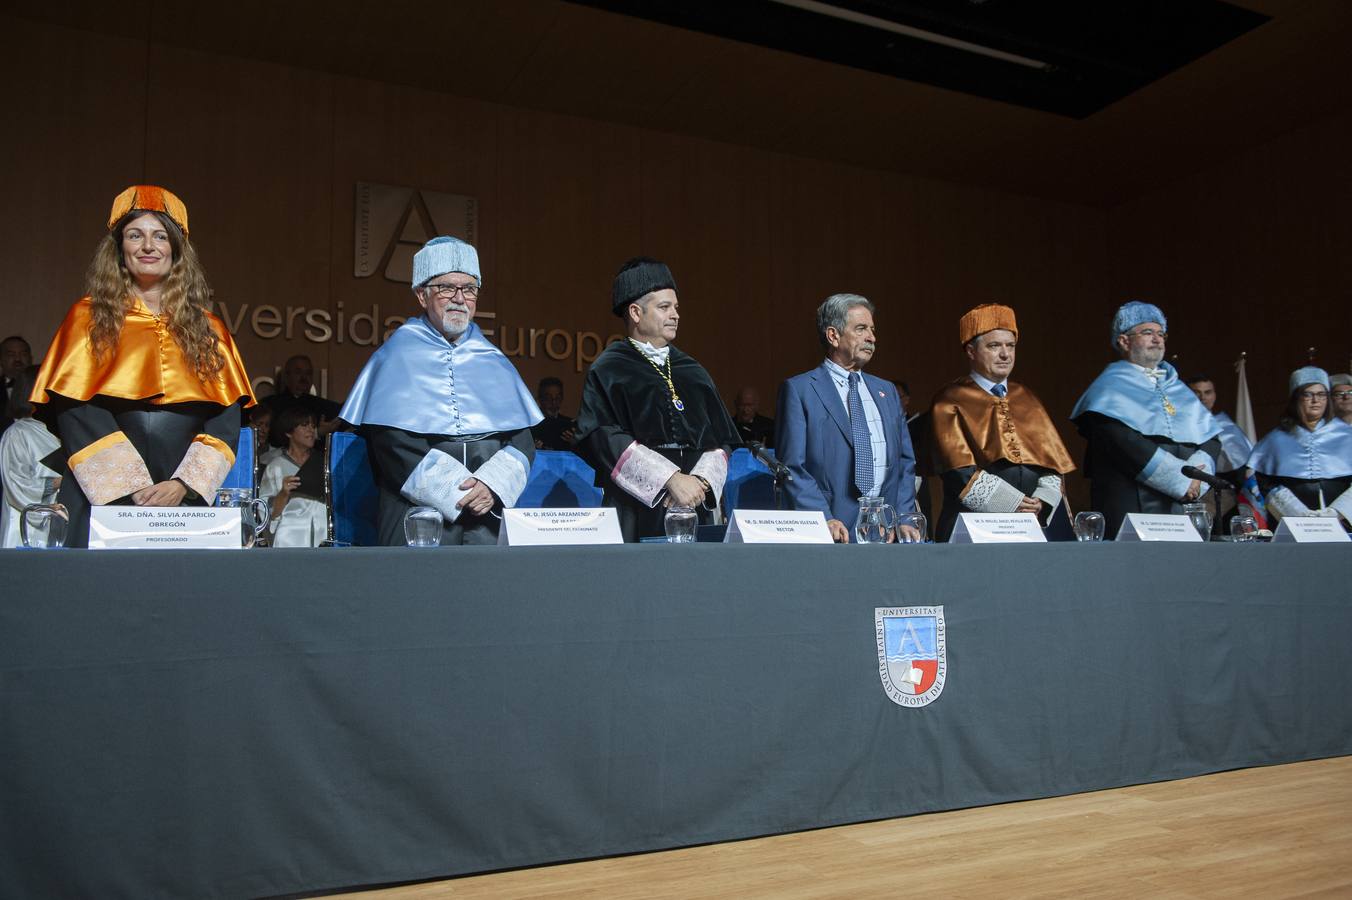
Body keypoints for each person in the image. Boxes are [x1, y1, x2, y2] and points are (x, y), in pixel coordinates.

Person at [29, 185, 254, 546]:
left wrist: (183, 485)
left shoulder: (209, 328)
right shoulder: (87, 318)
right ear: (120, 249)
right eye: (135, 235)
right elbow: (74, 409)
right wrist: (130, 487)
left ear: (176, 251)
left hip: (181, 498)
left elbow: (225, 421)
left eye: (160, 236)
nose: (148, 246)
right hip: (100, 493)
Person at [339, 236, 541, 546]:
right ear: (422, 295)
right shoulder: (396, 356)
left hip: (486, 518)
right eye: (447, 287)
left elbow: (522, 441)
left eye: (469, 288)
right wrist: (459, 492)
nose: (460, 298)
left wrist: (490, 485)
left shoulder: (494, 360)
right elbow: (393, 445)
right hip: (418, 514)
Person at [574, 257, 740, 542]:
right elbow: (601, 435)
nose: (675, 315)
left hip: (694, 503)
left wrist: (698, 483)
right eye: (664, 307)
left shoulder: (694, 370)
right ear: (636, 313)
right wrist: (670, 480)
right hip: (635, 506)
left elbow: (722, 438)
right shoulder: (609, 368)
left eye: (676, 307)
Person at [1070, 301, 1222, 538]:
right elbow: (1122, 442)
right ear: (1123, 341)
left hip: (1183, 504)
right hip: (1132, 503)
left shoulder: (1178, 387)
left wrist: (1198, 481)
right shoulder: (1109, 387)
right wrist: (1181, 479)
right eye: (1148, 332)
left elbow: (1210, 437)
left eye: (1161, 333)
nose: (1157, 339)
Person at [776, 293, 917, 543]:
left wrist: (904, 516)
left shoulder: (887, 392)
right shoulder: (800, 390)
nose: (872, 338)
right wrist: (821, 518)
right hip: (831, 532)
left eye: (872, 330)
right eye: (861, 329)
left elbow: (905, 462)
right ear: (833, 335)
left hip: (887, 533)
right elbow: (792, 467)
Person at [927, 304, 1075, 541]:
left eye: (1010, 346)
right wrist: (1013, 504)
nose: (1005, 354)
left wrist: (1041, 502)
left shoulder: (1028, 397)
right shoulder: (949, 399)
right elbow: (958, 472)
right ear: (971, 351)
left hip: (1029, 526)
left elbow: (1052, 464)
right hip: (973, 527)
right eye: (994, 346)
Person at [1246, 367, 1352, 526]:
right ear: (1296, 398)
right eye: (1308, 394)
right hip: (1292, 521)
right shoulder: (1276, 439)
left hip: (1341, 521)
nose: (1315, 400)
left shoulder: (1347, 435)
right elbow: (1266, 483)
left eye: (1321, 394)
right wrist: (1298, 513)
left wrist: (1335, 513)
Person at [1, 366, 62, 547]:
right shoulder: (18, 433)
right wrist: (59, 482)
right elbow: (16, 485)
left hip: (59, 520)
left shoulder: (60, 428)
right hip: (26, 524)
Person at [259, 407, 327, 547]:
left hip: (323, 534)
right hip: (290, 538)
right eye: (304, 425)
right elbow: (265, 514)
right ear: (289, 432)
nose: (311, 430)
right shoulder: (275, 467)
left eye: (313, 426)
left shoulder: (325, 463)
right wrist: (283, 493)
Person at [260, 354, 344, 437]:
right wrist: (316, 433)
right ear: (287, 376)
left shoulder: (324, 407)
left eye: (308, 373)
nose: (304, 377)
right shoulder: (269, 405)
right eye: (298, 372)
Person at [1184, 374, 1253, 473]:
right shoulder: (1181, 426)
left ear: (1214, 395)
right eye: (1196, 393)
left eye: (1208, 392)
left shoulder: (1227, 424)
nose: (1203, 397)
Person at [531, 376, 576, 450]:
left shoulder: (569, 426)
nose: (553, 403)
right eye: (548, 398)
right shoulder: (530, 425)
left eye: (557, 398)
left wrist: (575, 442)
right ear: (540, 399)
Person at [1, 336, 33, 436]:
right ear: (1, 359)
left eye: (23, 354)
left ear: (30, 358)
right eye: (11, 354)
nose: (18, 359)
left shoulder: (42, 388)